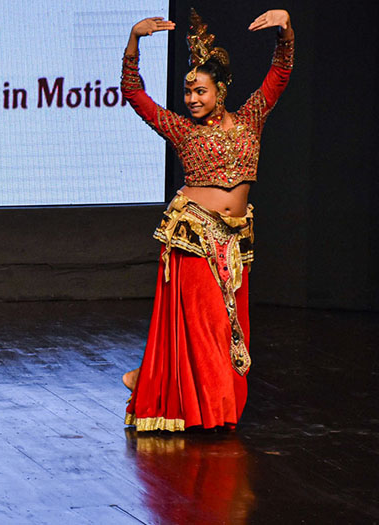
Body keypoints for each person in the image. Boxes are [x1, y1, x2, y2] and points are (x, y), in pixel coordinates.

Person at [120, 9, 294, 431]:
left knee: (230, 328)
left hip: (235, 241)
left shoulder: (251, 118)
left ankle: (205, 404)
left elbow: (281, 72)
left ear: (221, 89)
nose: (192, 99)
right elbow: (135, 94)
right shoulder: (182, 131)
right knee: (207, 325)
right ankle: (210, 414)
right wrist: (134, 41)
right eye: (187, 92)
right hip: (194, 234)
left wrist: (286, 28)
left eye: (200, 91)